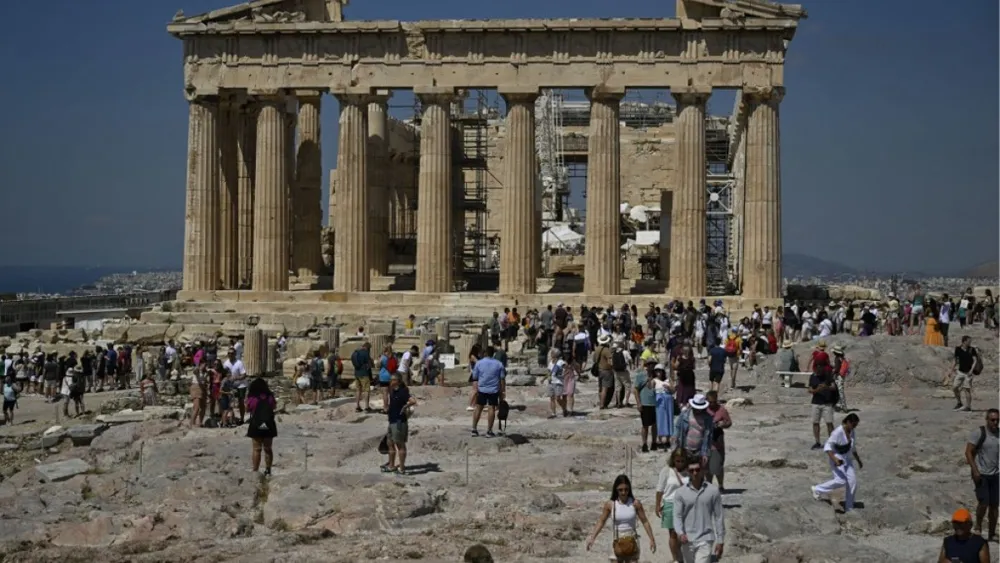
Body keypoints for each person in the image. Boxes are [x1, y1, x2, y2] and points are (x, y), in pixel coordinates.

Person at [585, 474, 657, 562]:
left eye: (626, 489)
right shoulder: (611, 505)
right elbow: (601, 521)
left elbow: (644, 521)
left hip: (632, 539)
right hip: (616, 539)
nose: (623, 492)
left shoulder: (635, 504)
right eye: (620, 490)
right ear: (616, 490)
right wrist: (592, 538)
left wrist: (652, 539)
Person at [673, 455, 725, 563]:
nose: (695, 473)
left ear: (702, 470)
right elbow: (677, 515)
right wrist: (680, 533)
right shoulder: (680, 493)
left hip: (705, 538)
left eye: (697, 470)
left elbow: (718, 516)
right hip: (687, 539)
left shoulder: (713, 491)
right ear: (687, 471)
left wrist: (720, 540)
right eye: (692, 470)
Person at [812, 413, 864, 513]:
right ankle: (817, 489)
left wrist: (858, 460)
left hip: (847, 459)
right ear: (848, 422)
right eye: (853, 425)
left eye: (856, 425)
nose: (854, 427)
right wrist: (835, 459)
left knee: (853, 482)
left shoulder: (852, 432)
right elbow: (828, 447)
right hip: (837, 458)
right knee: (841, 480)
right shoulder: (837, 432)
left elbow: (852, 448)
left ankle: (849, 506)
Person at [965, 408, 999, 540]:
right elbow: (968, 452)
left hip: (996, 475)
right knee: (983, 503)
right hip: (982, 474)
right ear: (987, 420)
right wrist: (975, 470)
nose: (995, 422)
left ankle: (992, 533)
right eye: (992, 420)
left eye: (997, 420)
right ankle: (978, 527)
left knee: (995, 505)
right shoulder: (979, 433)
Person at [655, 449, 690, 563]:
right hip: (670, 503)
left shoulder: (690, 471)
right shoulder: (666, 471)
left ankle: (683, 555)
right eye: (677, 461)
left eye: (682, 461)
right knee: (673, 534)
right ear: (673, 460)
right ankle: (676, 559)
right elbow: (660, 489)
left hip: (686, 505)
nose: (679, 463)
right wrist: (657, 504)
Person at [382, 373, 416, 475]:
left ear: (398, 381)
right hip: (392, 421)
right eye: (390, 380)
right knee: (390, 443)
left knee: (400, 445)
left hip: (399, 422)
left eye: (393, 380)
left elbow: (413, 401)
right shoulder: (393, 391)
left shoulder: (402, 392)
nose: (391, 382)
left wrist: (405, 407)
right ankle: (391, 465)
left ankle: (402, 467)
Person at [470, 345, 505, 437]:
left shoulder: (479, 363)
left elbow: (475, 377)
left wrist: (476, 389)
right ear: (493, 353)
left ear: (485, 353)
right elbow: (502, 379)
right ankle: (489, 431)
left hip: (482, 388)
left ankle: (474, 429)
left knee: (478, 408)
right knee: (491, 408)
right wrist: (502, 391)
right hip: (493, 389)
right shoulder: (499, 364)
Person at [246, 377, 277, 476]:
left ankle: (255, 470)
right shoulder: (270, 397)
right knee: (268, 448)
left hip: (256, 425)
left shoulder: (252, 398)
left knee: (256, 449)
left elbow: (248, 409)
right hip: (269, 425)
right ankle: (268, 469)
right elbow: (274, 407)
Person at [676, 394, 713, 467]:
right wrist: (676, 448)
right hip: (685, 449)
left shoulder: (708, 418)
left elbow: (708, 437)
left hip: (699, 451)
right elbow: (677, 430)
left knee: (697, 473)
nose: (697, 410)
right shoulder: (685, 415)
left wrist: (705, 453)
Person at [808, 358, 838, 450]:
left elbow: (833, 388)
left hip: (827, 402)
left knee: (829, 422)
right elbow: (809, 389)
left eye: (820, 367)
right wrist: (817, 390)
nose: (819, 369)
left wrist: (826, 387)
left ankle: (832, 442)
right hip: (816, 402)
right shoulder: (813, 376)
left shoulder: (828, 376)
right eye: (817, 367)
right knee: (815, 422)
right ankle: (817, 442)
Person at [705, 390, 732, 492]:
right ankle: (709, 485)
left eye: (713, 402)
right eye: (710, 402)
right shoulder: (703, 409)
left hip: (717, 442)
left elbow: (729, 422)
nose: (712, 404)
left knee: (717, 466)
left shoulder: (721, 410)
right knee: (707, 467)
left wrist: (722, 424)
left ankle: (720, 485)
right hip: (706, 442)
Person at [633, 359, 659, 453]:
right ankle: (644, 444)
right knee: (645, 425)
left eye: (653, 364)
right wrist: (638, 403)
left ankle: (654, 442)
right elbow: (635, 390)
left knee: (655, 425)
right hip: (645, 403)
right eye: (649, 365)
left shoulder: (658, 376)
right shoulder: (641, 376)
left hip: (656, 403)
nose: (651, 366)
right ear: (646, 366)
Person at [950, 336, 981, 412]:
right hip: (960, 372)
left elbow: (975, 361)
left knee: (967, 390)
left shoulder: (972, 349)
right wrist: (951, 370)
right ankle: (959, 402)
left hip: (968, 373)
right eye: (968, 341)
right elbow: (955, 360)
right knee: (954, 387)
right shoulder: (958, 349)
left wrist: (971, 370)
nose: (970, 343)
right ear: (964, 342)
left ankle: (968, 406)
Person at [652, 363, 674, 450]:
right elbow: (651, 389)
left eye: (660, 371)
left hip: (668, 400)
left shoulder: (668, 380)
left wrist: (668, 388)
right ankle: (660, 439)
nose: (658, 373)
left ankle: (668, 439)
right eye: (657, 371)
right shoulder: (654, 380)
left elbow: (673, 390)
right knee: (660, 419)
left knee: (669, 418)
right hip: (660, 400)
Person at [351, 342, 374, 413]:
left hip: (357, 373)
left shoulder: (356, 352)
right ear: (368, 348)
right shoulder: (366, 353)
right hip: (364, 374)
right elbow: (370, 365)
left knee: (358, 390)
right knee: (367, 390)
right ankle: (367, 407)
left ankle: (357, 406)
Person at [831, 345, 850, 412]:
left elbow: (836, 369)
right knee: (840, 391)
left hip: (838, 377)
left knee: (839, 392)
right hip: (842, 376)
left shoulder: (837, 358)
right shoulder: (842, 358)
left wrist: (832, 374)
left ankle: (844, 408)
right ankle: (840, 406)